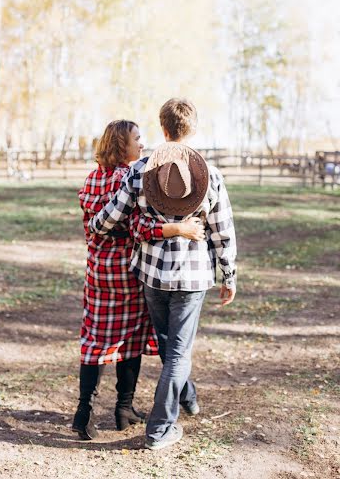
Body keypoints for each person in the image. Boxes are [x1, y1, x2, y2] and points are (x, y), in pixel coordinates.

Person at [88, 99, 237, 450]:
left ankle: (187, 396)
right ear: (193, 129)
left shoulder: (139, 170)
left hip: (152, 275)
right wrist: (229, 275)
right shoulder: (210, 176)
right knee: (178, 351)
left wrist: (97, 224)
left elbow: (106, 221)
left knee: (172, 346)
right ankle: (160, 428)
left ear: (163, 127)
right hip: (192, 277)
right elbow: (222, 231)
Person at [72, 119, 205, 440]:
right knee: (129, 339)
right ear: (122, 145)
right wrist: (176, 228)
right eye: (136, 139)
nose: (141, 144)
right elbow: (138, 228)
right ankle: (123, 405)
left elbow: (92, 226)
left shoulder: (92, 178)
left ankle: (84, 412)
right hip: (128, 270)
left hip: (98, 271)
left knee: (96, 339)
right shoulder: (129, 177)